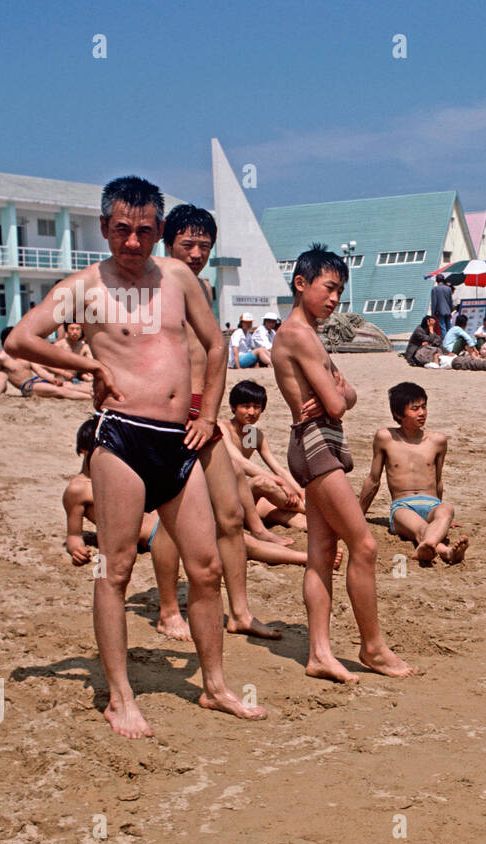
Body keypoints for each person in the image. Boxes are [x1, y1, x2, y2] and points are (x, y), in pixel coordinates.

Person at [6, 175, 265, 737]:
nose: (132, 241)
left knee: (206, 567)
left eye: (144, 230)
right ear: (104, 227)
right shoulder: (85, 287)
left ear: (158, 231)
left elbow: (216, 345)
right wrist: (90, 367)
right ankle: (120, 697)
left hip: (178, 440)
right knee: (117, 568)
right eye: (121, 229)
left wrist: (206, 413)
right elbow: (20, 339)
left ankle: (215, 686)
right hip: (120, 436)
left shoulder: (175, 276)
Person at [271, 243, 417, 681]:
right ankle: (372, 647)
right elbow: (337, 400)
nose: (335, 299)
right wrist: (339, 393)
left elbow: (345, 396)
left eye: (340, 292)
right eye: (329, 288)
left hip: (315, 443)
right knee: (365, 545)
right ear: (301, 284)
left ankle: (319, 653)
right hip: (316, 446)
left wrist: (340, 395)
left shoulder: (306, 334)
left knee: (321, 552)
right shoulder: (297, 334)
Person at [163, 202, 283, 640]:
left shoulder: (204, 289)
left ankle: (240, 612)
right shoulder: (155, 286)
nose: (196, 253)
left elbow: (214, 352)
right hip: (170, 413)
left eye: (205, 246)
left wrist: (210, 410)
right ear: (167, 241)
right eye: (187, 243)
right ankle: (165, 610)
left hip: (205, 410)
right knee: (171, 517)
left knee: (230, 514)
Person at [64, 414, 191, 641]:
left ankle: (276, 546)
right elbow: (73, 534)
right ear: (85, 451)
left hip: (162, 525)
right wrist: (76, 549)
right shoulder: (78, 489)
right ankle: (169, 611)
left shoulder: (125, 473)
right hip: (153, 535)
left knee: (237, 540)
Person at [359, 382, 468, 565]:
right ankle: (445, 551)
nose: (422, 413)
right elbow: (373, 480)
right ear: (398, 414)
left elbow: (438, 481)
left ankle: (430, 546)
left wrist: (443, 519)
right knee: (420, 528)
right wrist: (357, 516)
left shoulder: (437, 440)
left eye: (424, 407)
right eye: (415, 408)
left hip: (432, 504)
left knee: (447, 510)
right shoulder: (385, 438)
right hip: (403, 506)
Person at [219, 380, 310, 537]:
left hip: (244, 496)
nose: (252, 412)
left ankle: (325, 525)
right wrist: (280, 483)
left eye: (256, 407)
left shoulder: (254, 435)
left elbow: (278, 469)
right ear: (233, 407)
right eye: (245, 406)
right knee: (263, 482)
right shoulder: (222, 427)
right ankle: (319, 512)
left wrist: (300, 492)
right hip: (220, 496)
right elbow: (239, 462)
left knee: (286, 514)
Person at [0, 326, 93, 401]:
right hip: (27, 386)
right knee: (60, 391)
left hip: (37, 380)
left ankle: (94, 393)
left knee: (66, 385)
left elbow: (38, 369)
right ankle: (91, 398)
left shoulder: (22, 354)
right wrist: (0, 390)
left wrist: (51, 379)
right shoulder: (0, 358)